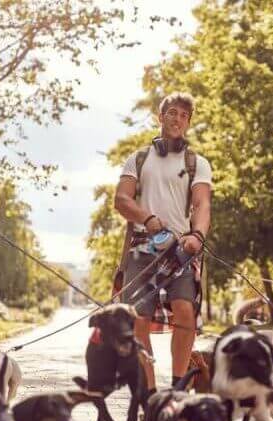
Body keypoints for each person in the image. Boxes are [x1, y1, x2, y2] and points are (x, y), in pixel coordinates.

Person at [114, 92, 212, 395]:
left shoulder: (198, 163)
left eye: (184, 115)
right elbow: (121, 199)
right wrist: (149, 218)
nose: (178, 119)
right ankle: (149, 391)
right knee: (139, 318)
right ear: (161, 117)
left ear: (188, 122)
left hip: (181, 251)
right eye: (172, 112)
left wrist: (197, 235)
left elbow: (202, 204)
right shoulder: (139, 158)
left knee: (185, 310)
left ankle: (178, 389)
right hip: (143, 246)